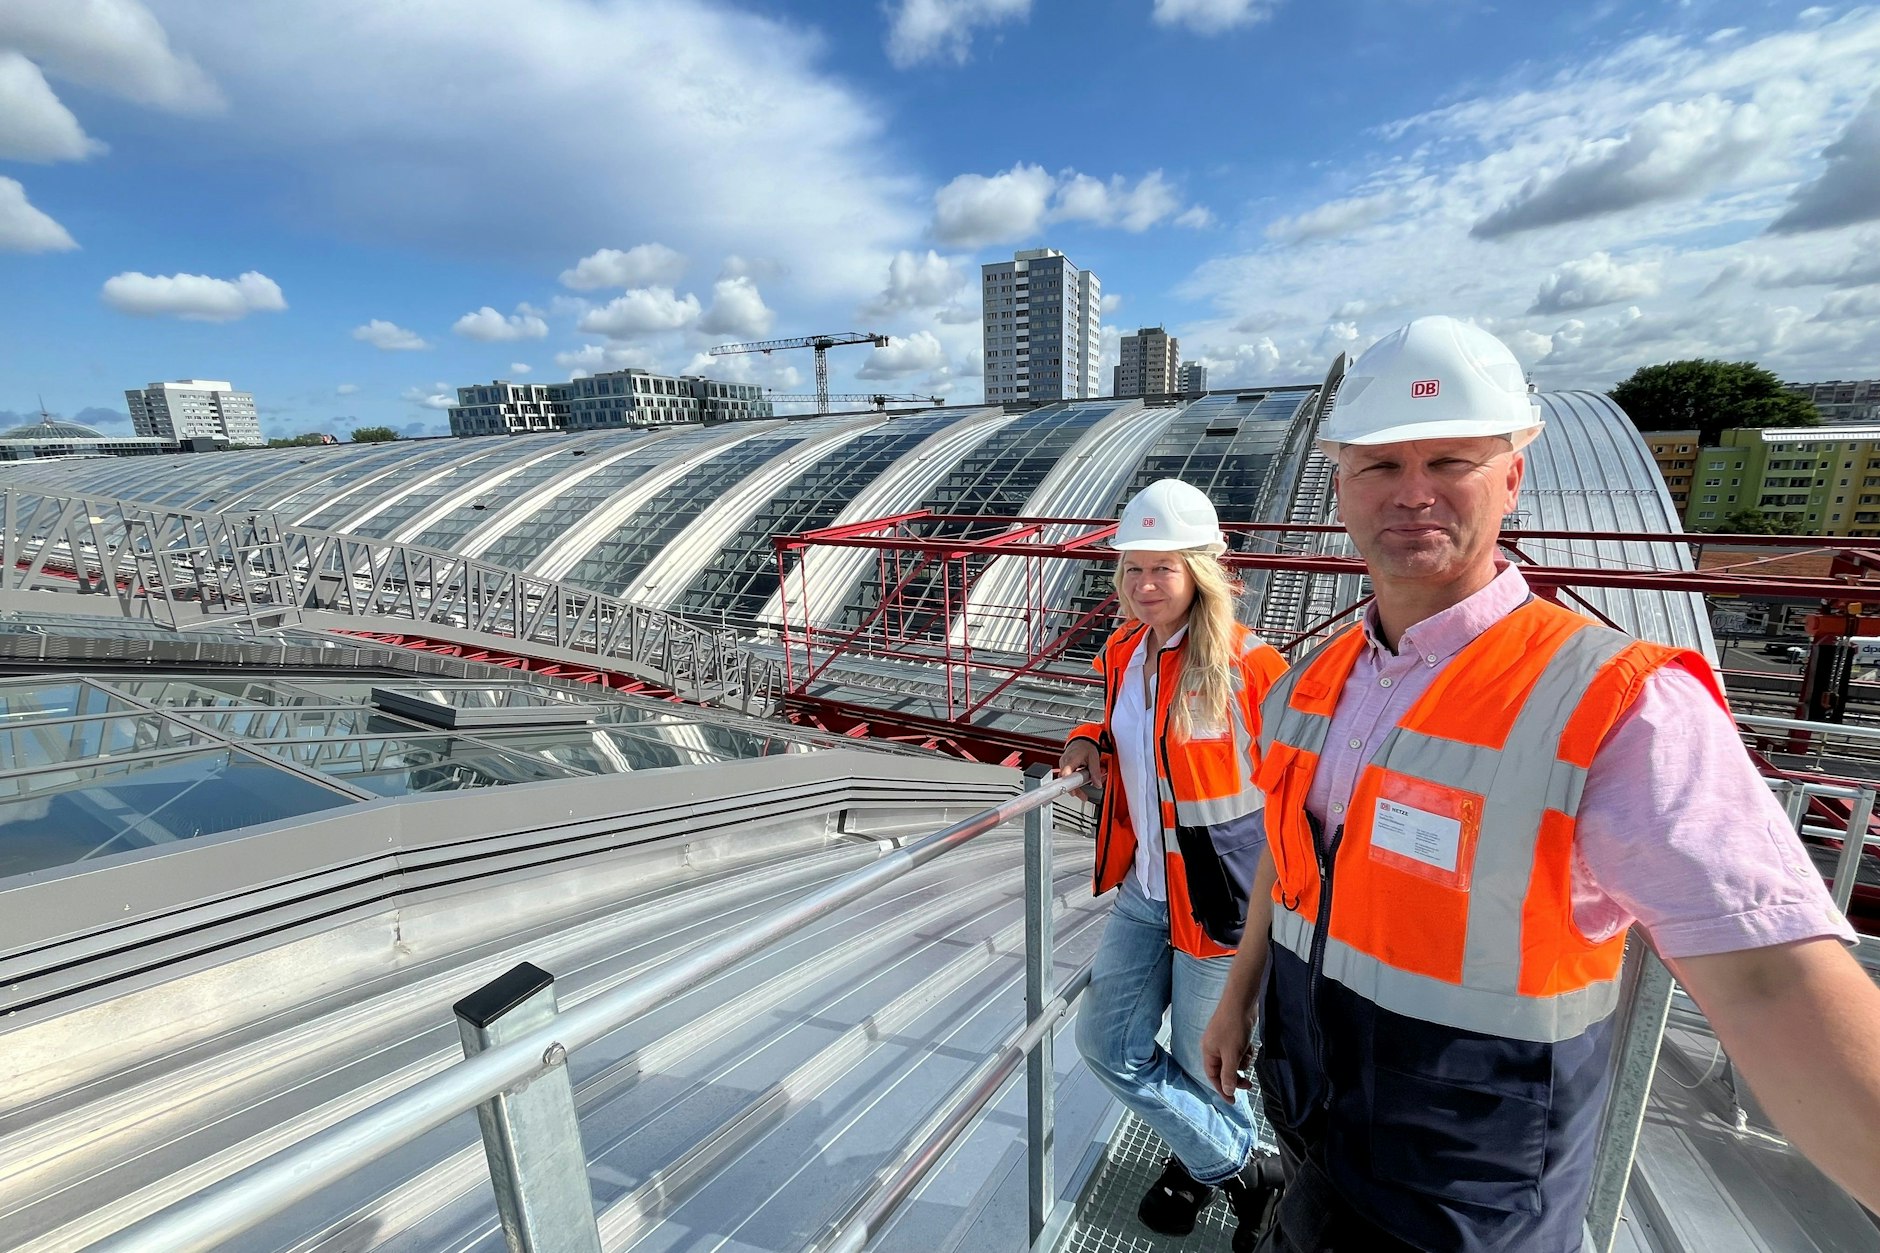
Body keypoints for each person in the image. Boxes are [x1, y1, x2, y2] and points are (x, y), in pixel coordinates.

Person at [1199, 315, 1880, 1253]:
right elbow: (1292, 868)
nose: (1413, 495)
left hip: (1470, 1194)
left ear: (1513, 475)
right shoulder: (1313, 686)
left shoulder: (1617, 705)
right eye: (1382, 467)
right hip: (1318, 1125)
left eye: (1450, 461)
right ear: (1342, 487)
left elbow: (1770, 975)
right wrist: (1236, 999)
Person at [1057, 478, 1289, 1243]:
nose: (1144, 584)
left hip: (1220, 904)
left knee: (1208, 1063)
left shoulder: (1251, 667)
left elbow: (1300, 787)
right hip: (1143, 894)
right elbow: (1127, 724)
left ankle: (1206, 1167)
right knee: (1105, 1044)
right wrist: (1088, 736)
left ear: (1200, 570)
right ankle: (1250, 1168)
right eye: (1132, 569)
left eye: (1163, 567)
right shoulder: (1124, 651)